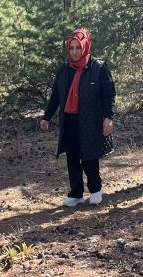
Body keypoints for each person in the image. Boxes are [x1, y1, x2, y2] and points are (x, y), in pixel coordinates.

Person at [40, 29, 115, 207]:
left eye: (78, 47)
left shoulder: (98, 68)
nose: (74, 52)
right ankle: (76, 193)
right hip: (69, 121)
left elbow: (109, 94)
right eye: (71, 48)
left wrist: (108, 117)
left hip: (90, 120)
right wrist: (47, 117)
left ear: (85, 46)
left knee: (89, 157)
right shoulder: (64, 69)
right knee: (72, 158)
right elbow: (56, 96)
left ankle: (96, 190)